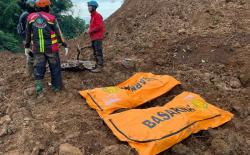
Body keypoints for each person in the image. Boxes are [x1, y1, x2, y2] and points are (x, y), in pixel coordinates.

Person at [25, 0, 68, 95]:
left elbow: (27, 33)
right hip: (51, 49)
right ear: (46, 7)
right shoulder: (51, 18)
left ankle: (39, 89)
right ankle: (56, 88)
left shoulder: (30, 18)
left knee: (39, 67)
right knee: (55, 68)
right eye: (49, 6)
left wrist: (27, 46)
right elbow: (58, 32)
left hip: (37, 49)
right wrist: (64, 43)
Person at [17, 0, 36, 77]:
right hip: (27, 38)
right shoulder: (27, 15)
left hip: (25, 37)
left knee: (30, 55)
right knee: (31, 56)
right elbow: (28, 29)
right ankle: (31, 74)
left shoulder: (25, 14)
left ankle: (30, 73)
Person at [87, 0, 105, 72]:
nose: (88, 8)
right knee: (95, 52)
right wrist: (88, 29)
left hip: (97, 37)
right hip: (94, 37)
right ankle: (97, 65)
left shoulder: (97, 15)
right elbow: (93, 26)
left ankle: (100, 66)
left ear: (93, 7)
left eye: (89, 6)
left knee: (98, 51)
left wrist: (90, 31)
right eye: (88, 6)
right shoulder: (93, 16)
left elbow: (99, 26)